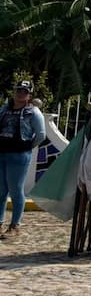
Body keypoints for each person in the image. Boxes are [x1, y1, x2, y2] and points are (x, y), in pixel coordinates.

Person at [0, 80, 46, 240]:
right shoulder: (5, 109)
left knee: (15, 190)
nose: (20, 94)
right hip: (2, 152)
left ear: (29, 95)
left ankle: (15, 225)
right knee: (0, 191)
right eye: (18, 90)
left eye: (24, 91)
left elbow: (41, 135)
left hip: (19, 155)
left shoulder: (33, 112)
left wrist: (27, 146)